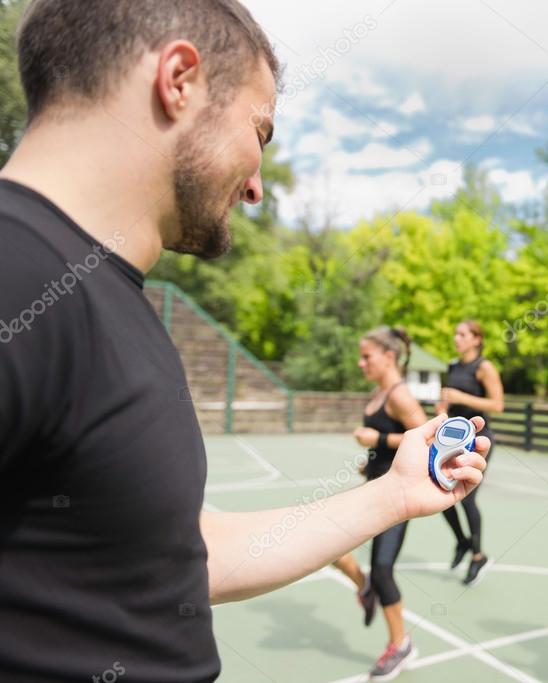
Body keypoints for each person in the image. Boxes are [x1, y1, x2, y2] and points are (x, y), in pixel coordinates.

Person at [0, 2, 488, 681]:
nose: (257, 185)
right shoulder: (18, 268)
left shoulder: (108, 297)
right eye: (260, 130)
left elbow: (189, 555)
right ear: (179, 80)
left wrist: (394, 495)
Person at [331, 326, 428, 680]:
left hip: (397, 495)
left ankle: (401, 645)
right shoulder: (378, 392)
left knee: (384, 569)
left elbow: (426, 438)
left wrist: (379, 438)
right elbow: (386, 446)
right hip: (374, 487)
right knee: (332, 546)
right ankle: (364, 586)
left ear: (389, 357)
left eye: (366, 356)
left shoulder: (400, 396)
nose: (360, 363)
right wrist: (371, 459)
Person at [435, 320, 504, 586]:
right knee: (441, 490)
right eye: (455, 333)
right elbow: (445, 403)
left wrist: (463, 398)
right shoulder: (452, 366)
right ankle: (462, 542)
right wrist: (441, 412)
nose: (457, 338)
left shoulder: (484, 367)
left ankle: (478, 556)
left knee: (466, 499)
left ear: (477, 339)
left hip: (478, 437)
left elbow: (497, 404)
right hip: (452, 438)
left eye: (462, 334)